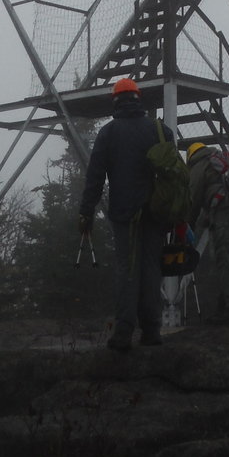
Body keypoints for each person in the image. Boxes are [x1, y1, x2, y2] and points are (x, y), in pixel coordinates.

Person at [78, 77, 171, 351]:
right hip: (156, 212)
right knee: (152, 269)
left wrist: (86, 213)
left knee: (127, 269)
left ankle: (123, 332)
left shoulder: (109, 133)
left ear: (115, 101)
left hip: (124, 212)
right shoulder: (160, 130)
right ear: (138, 98)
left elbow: (95, 177)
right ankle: (152, 330)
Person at [186, 141, 229, 325]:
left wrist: (187, 227)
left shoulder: (201, 164)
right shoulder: (220, 160)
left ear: (190, 156)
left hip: (227, 210)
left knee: (226, 256)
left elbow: (193, 197)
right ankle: (226, 304)